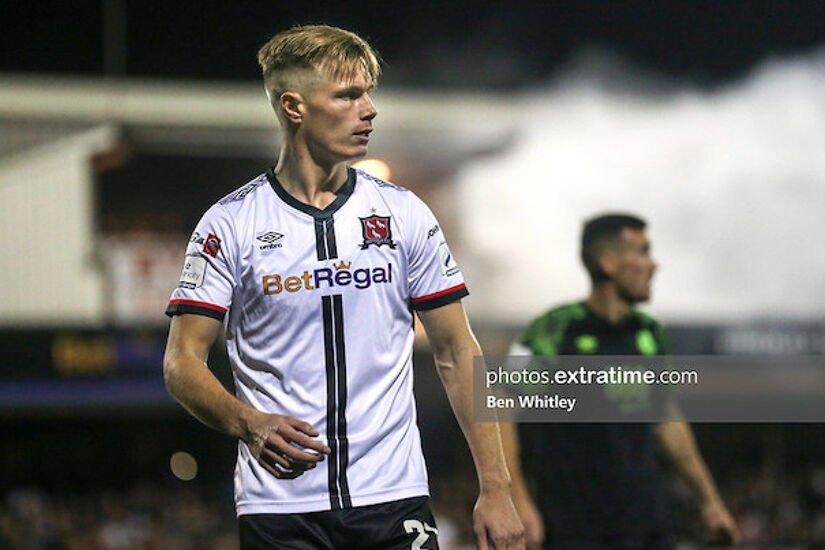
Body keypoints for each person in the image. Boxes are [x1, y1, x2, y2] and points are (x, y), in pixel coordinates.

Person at [162, 24, 523, 550]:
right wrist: (248, 423)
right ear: (294, 107)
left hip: (394, 498)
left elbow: (455, 350)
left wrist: (497, 486)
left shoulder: (403, 214)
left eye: (368, 93)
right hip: (281, 508)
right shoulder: (228, 224)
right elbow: (181, 363)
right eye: (349, 95)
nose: (369, 108)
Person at [501, 213, 740, 549]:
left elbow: (665, 419)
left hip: (648, 526)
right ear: (608, 263)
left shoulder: (649, 334)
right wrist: (516, 500)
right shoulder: (553, 330)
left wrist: (711, 501)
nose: (653, 265)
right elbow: (499, 406)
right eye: (642, 252)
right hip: (571, 529)